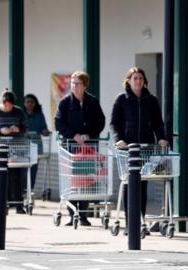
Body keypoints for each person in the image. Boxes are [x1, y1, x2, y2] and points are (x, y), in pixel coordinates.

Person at [110, 67, 168, 233]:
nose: (138, 81)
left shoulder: (151, 100)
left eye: (140, 78)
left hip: (146, 147)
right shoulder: (122, 100)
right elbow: (114, 123)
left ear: (144, 81)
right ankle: (130, 224)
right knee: (129, 184)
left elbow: (158, 123)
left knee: (142, 184)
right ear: (128, 81)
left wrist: (162, 138)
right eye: (134, 78)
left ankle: (141, 221)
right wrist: (118, 139)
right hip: (128, 149)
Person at [55, 71, 105, 226]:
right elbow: (58, 123)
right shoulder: (64, 103)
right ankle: (72, 215)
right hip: (71, 147)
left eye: (77, 83)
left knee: (86, 180)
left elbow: (100, 121)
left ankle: (83, 215)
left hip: (88, 149)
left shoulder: (93, 102)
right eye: (72, 83)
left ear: (84, 85)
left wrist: (89, 134)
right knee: (72, 181)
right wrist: (73, 135)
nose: (74, 86)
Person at [0, 90, 28, 214]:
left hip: (15, 149)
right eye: (5, 105)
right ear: (2, 102)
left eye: (10, 105)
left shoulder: (19, 112)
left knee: (16, 176)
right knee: (3, 176)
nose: (8, 107)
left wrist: (17, 129)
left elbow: (25, 130)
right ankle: (3, 205)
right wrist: (0, 131)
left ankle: (19, 205)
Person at [23, 94, 50, 190]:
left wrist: (45, 132)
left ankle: (30, 190)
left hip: (36, 146)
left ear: (35, 104)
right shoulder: (21, 114)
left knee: (33, 169)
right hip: (23, 146)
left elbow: (44, 129)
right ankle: (22, 190)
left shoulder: (39, 115)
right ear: (24, 103)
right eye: (27, 102)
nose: (29, 104)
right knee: (23, 168)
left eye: (32, 102)